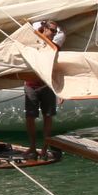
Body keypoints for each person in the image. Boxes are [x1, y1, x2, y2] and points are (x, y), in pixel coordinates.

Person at [22, 20, 66, 161]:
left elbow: (57, 70)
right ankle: (33, 147)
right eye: (52, 30)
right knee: (30, 117)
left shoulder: (55, 48)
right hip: (31, 85)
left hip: (47, 85)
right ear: (44, 29)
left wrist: (60, 91)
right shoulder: (34, 43)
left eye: (55, 31)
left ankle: (45, 149)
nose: (53, 34)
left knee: (48, 117)